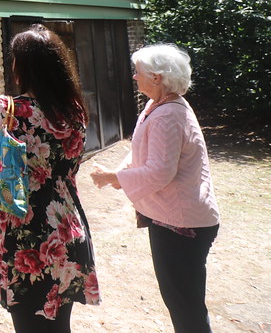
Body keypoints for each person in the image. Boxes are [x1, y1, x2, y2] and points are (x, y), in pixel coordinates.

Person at [0, 24, 100, 332]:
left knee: (28, 325)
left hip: (23, 231)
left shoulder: (9, 109)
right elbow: (72, 163)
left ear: (22, 66)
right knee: (60, 325)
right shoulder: (75, 110)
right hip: (66, 225)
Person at [91, 44, 219, 333]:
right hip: (178, 221)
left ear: (157, 77)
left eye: (138, 73)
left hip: (182, 225)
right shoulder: (159, 106)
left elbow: (160, 171)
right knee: (182, 302)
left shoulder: (168, 115)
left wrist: (114, 177)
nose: (134, 78)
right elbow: (142, 149)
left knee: (185, 307)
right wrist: (120, 173)